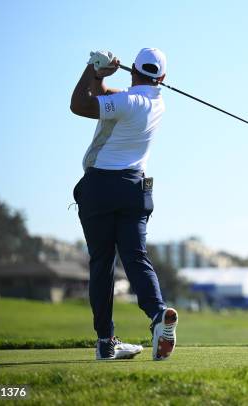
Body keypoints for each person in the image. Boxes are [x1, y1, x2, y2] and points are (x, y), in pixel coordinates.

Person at [70, 48, 178, 361]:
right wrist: (100, 79)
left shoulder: (128, 101)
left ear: (133, 71)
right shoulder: (157, 103)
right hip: (135, 189)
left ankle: (106, 341)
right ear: (162, 78)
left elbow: (79, 105)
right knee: (135, 255)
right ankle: (158, 316)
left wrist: (92, 68)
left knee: (102, 263)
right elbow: (107, 96)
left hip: (100, 188)